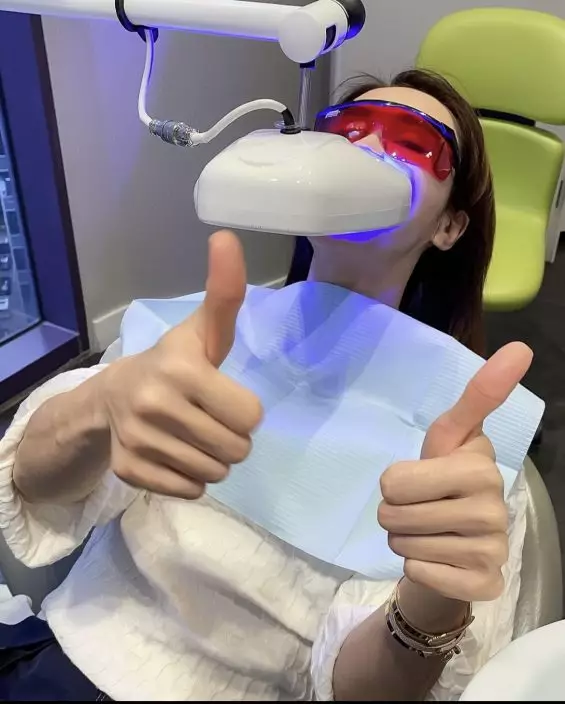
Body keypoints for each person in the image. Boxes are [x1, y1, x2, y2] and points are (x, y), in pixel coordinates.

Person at [0, 69, 535, 701]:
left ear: (449, 227)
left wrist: (432, 598)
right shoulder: (198, 332)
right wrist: (102, 405)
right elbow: (35, 487)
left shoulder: (461, 445)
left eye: (411, 141)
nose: (365, 148)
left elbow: (356, 691)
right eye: (347, 132)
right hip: (63, 663)